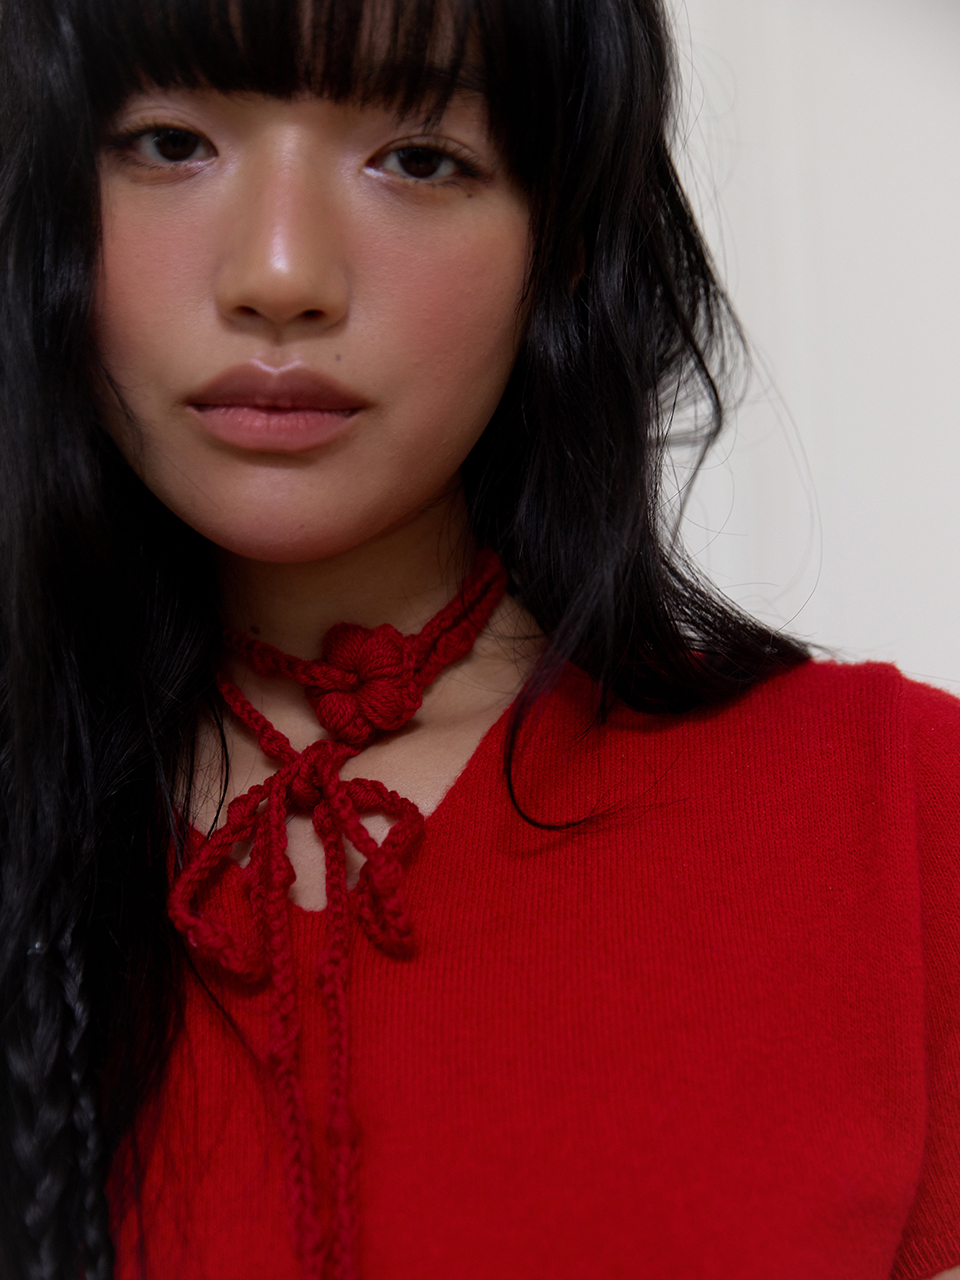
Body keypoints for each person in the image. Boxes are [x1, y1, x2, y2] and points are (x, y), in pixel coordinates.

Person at [0, 0, 958, 1278]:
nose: (280, 273)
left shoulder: (898, 815)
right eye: (170, 144)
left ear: (566, 241)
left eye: (419, 157)